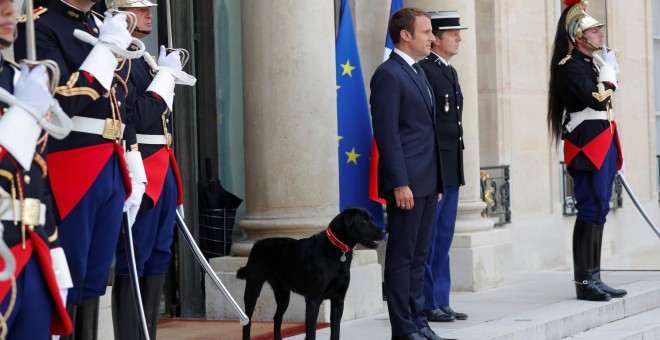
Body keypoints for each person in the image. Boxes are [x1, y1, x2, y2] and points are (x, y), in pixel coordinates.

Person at [14, 1, 147, 338]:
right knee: (69, 275)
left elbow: (121, 101)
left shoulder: (97, 24)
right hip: (71, 160)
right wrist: (103, 51)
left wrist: (131, 157)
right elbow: (60, 101)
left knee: (94, 277)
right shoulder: (38, 26)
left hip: (108, 161)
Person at [105, 1, 186, 339]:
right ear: (119, 11)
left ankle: (147, 334)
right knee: (134, 254)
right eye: (138, 8)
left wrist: (161, 72)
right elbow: (133, 116)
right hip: (140, 163)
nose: (149, 13)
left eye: (148, 7)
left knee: (159, 255)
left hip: (162, 163)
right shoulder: (119, 57)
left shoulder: (143, 58)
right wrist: (165, 77)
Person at [370, 7, 447, 340]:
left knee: (419, 255)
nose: (433, 38)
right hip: (407, 183)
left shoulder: (418, 71)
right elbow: (387, 134)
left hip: (428, 181)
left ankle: (419, 322)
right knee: (402, 257)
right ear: (406, 35)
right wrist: (400, 182)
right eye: (427, 31)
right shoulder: (389, 74)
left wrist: (438, 181)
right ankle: (403, 329)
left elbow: (427, 132)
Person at [0, 1, 74, 338]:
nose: (7, 12)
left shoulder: (16, 80)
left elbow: (34, 172)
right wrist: (22, 115)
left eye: (7, 4)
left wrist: (52, 245)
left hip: (31, 249)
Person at [548, 0, 626, 302]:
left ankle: (595, 276)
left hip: (602, 141)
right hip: (586, 146)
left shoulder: (589, 65)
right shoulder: (570, 68)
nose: (600, 36)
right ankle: (584, 282)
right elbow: (597, 99)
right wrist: (609, 73)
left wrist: (605, 69)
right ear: (579, 37)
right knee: (591, 208)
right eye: (594, 31)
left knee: (601, 209)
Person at [419, 10, 468, 323]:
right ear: (435, 38)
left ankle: (441, 298)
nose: (459, 37)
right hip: (435, 167)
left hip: (450, 165)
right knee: (429, 237)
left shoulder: (447, 70)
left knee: (445, 235)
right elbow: (428, 127)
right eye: (453, 33)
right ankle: (426, 302)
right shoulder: (426, 70)